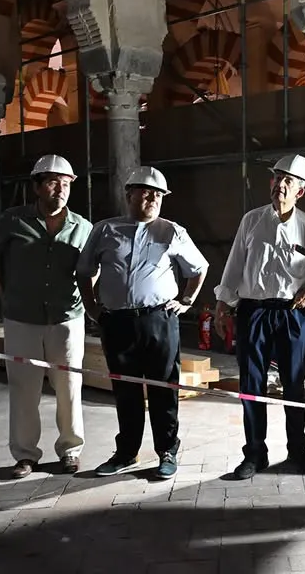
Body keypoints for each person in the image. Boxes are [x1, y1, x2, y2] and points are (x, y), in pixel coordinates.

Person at [77, 166, 208, 480]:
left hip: (159, 320)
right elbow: (84, 270)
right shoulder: (105, 229)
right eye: (146, 192)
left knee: (165, 388)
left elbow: (198, 268)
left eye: (159, 194)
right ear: (129, 194)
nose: (153, 199)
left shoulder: (171, 231)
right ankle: (126, 452)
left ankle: (166, 451)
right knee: (125, 390)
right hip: (117, 322)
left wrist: (187, 300)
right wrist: (92, 307)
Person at [214, 154, 305, 480]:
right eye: (277, 178)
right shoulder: (251, 220)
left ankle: (298, 451)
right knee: (252, 385)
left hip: (294, 314)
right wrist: (223, 305)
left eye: (289, 181)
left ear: (301, 190)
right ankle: (254, 454)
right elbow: (235, 265)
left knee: (295, 386)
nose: (281, 185)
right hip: (254, 312)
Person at [0, 155, 93, 479]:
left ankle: (70, 451)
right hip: (21, 317)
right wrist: (2, 291)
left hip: (66, 318)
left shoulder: (82, 227)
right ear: (38, 187)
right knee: (23, 387)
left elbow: (91, 268)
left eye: (67, 183)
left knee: (69, 385)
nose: (61, 189)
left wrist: (91, 298)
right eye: (54, 182)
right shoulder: (14, 221)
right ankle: (26, 456)